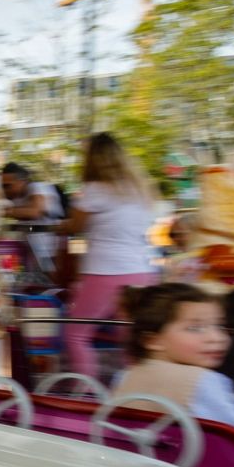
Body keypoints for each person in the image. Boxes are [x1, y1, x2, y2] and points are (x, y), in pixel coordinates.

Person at [110, 283, 234, 452]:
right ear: (152, 340)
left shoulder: (125, 376)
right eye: (195, 328)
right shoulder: (204, 381)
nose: (216, 338)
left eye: (219, 326)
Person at [56, 132, 158, 379]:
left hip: (106, 270)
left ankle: (88, 397)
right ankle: (136, 396)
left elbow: (75, 226)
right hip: (142, 271)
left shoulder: (95, 189)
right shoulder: (139, 189)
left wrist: (60, 226)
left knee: (76, 334)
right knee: (129, 339)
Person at [0, 162, 65, 274]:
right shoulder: (14, 197)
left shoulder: (37, 187)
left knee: (50, 279)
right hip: (32, 248)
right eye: (3, 186)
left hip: (50, 248)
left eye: (8, 185)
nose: (5, 189)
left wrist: (4, 211)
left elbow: (35, 212)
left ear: (22, 181)